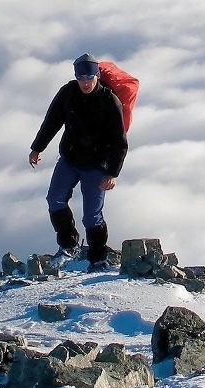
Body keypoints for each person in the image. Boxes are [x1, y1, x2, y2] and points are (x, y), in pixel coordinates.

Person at [29, 53, 128, 273]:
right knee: (55, 199)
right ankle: (68, 245)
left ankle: (98, 258)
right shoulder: (68, 93)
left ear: (97, 75)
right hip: (70, 159)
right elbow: (52, 120)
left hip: (97, 166)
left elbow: (120, 142)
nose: (84, 82)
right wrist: (37, 147)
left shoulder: (109, 101)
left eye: (89, 77)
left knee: (91, 215)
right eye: (81, 77)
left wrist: (112, 172)